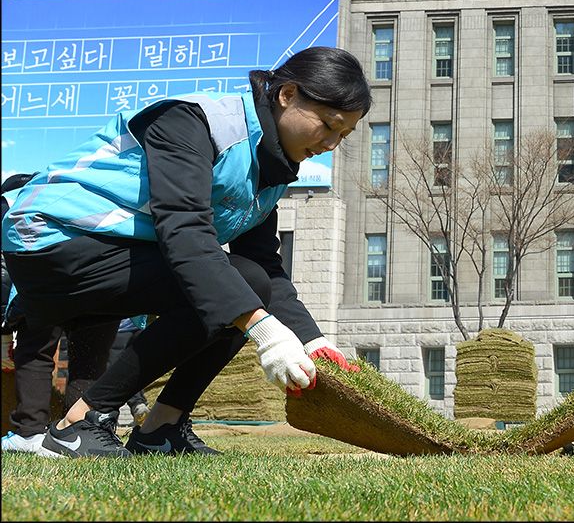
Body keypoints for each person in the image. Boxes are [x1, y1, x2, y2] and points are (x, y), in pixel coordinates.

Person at [1, 46, 366, 458]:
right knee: (236, 286)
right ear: (288, 95)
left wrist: (313, 342)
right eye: (328, 125)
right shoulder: (194, 122)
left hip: (117, 250)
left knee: (249, 282)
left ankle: (160, 429)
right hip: (51, 239)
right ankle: (79, 424)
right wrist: (264, 331)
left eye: (344, 135)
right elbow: (185, 232)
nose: (332, 143)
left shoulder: (271, 168)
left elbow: (264, 265)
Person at [2, 173, 120, 455]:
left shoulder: (11, 204)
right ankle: (81, 430)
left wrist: (5, 331)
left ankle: (30, 432)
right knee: (91, 356)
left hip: (46, 273)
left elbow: (3, 267)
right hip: (101, 271)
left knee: (36, 349)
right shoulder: (79, 194)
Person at [106, 316, 151, 426]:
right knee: (135, 369)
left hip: (118, 328)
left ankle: (109, 414)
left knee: (113, 373)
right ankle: (138, 404)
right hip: (139, 326)